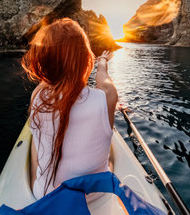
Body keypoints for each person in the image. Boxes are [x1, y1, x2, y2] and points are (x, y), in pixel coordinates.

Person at [21, 18, 118, 200]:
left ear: (44, 61)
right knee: (111, 159)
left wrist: (56, 60)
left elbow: (48, 79)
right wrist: (102, 61)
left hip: (44, 196)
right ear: (86, 58)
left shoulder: (37, 97)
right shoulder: (108, 97)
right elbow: (103, 80)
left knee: (36, 143)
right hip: (94, 198)